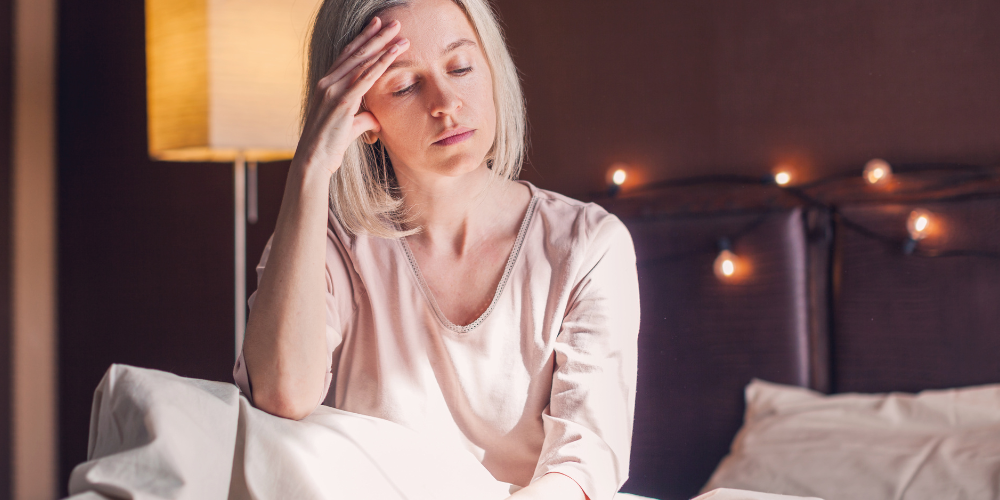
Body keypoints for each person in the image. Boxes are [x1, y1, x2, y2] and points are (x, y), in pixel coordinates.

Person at [233, 0, 640, 498]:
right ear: (358, 110)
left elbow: (585, 464)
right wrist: (311, 169)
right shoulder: (329, 242)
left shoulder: (589, 245)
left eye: (461, 67)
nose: (445, 102)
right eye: (404, 85)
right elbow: (280, 395)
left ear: (492, 68)